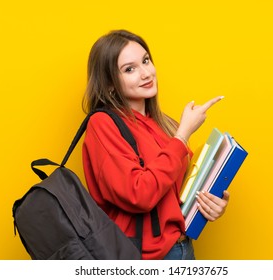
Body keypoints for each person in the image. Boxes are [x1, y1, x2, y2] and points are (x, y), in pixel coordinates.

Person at [81, 29, 229, 260]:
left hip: (182, 247)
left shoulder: (161, 124)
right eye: (129, 69)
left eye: (146, 61)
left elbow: (174, 192)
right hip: (146, 258)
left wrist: (211, 199)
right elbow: (138, 193)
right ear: (110, 85)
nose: (145, 73)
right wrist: (182, 136)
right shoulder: (103, 124)